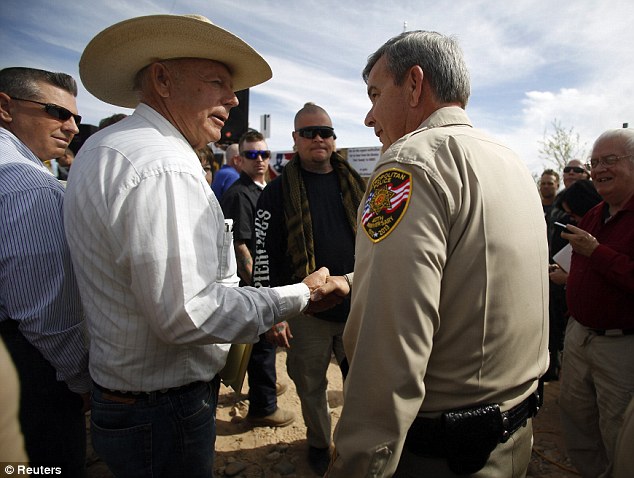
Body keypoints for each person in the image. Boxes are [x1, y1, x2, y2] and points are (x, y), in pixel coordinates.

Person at [64, 14, 329, 478]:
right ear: (162, 79)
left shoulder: (106, 146)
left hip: (130, 401)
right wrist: (300, 294)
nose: (232, 99)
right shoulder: (164, 166)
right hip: (163, 412)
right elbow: (188, 313)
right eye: (217, 82)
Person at [317, 31, 548, 477]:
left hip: (444, 454)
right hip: (515, 436)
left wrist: (359, 464)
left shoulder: (410, 162)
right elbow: (469, 274)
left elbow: (390, 344)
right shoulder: (510, 160)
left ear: (415, 84)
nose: (368, 116)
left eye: (375, 93)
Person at [253, 102, 365, 474]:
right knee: (311, 385)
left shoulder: (357, 185)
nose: (319, 138)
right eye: (310, 132)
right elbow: (263, 255)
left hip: (357, 306)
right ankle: (319, 442)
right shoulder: (276, 192)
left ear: (334, 139)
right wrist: (273, 315)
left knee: (362, 384)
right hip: (306, 312)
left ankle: (354, 446)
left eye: (326, 132)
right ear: (295, 140)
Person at [0, 67, 90, 477]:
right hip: (30, 374)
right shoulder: (28, 185)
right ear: (5, 107)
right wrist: (81, 380)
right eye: (57, 112)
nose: (71, 127)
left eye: (74, 116)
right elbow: (47, 313)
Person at [559, 128, 634, 478]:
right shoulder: (593, 214)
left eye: (610, 160)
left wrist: (597, 252)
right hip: (579, 335)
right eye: (595, 163)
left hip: (620, 344)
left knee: (619, 431)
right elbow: (585, 269)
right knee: (578, 420)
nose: (600, 169)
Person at [220, 129, 294, 427]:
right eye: (252, 155)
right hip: (255, 285)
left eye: (264, 153)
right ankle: (264, 407)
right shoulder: (239, 194)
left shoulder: (260, 188)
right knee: (263, 345)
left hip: (265, 281)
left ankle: (263, 388)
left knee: (261, 346)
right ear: (239, 160)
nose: (260, 160)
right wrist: (262, 292)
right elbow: (241, 248)